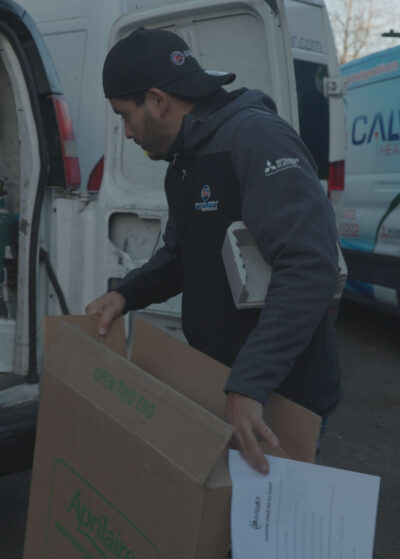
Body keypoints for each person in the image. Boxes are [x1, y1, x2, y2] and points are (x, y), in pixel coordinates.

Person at [86, 28, 341, 476]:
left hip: (279, 400)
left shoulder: (256, 139)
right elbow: (180, 257)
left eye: (124, 115)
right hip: (227, 389)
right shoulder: (185, 161)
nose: (125, 132)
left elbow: (309, 266)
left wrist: (251, 384)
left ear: (158, 100)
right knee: (222, 539)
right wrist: (125, 294)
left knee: (274, 540)